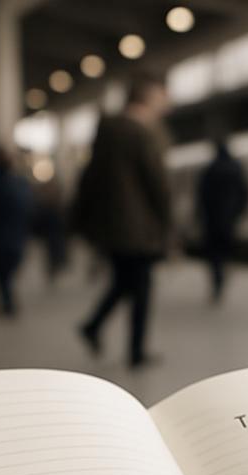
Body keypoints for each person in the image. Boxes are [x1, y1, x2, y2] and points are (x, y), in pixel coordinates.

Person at [72, 73, 172, 369]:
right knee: (141, 289)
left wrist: (85, 223)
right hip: (139, 228)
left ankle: (93, 326)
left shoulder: (106, 131)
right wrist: (167, 226)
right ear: (150, 97)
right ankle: (135, 352)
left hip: (112, 226)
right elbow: (158, 184)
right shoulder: (142, 132)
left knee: (124, 282)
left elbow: (88, 179)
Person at [0, 148, 34, 316]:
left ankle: (8, 302)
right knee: (6, 273)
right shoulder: (21, 186)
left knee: (3, 274)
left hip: (0, 237)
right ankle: (8, 301)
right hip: (15, 236)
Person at [197, 139, 248, 303]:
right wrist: (239, 212)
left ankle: (217, 280)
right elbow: (244, 193)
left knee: (214, 254)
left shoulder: (211, 169)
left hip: (212, 219)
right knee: (226, 252)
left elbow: (202, 195)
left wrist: (201, 215)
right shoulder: (237, 169)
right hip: (230, 219)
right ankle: (223, 278)